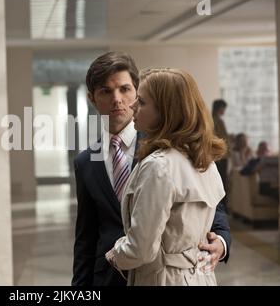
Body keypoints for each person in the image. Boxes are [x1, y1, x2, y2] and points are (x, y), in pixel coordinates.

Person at [72, 52, 231, 286]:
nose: (118, 100)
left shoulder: (179, 154)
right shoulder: (85, 161)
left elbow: (210, 207)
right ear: (92, 98)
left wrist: (222, 242)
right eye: (106, 91)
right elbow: (86, 238)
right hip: (107, 278)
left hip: (160, 274)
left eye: (125, 89)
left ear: (137, 91)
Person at [212, 99, 230, 208]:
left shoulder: (213, 120)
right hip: (221, 155)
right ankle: (223, 205)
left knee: (221, 179)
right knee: (222, 180)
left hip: (219, 155)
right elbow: (220, 137)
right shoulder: (217, 121)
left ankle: (222, 205)